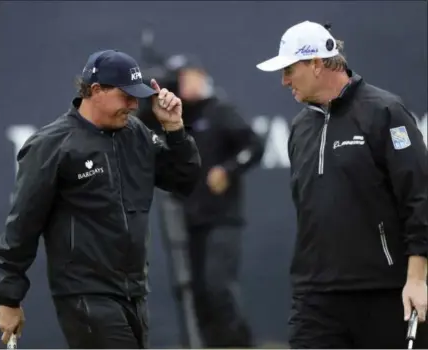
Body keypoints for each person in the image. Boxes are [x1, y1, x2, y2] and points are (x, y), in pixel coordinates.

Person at [0, 49, 201, 348]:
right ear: (96, 91)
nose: (133, 105)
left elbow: (184, 180)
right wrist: (7, 298)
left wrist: (174, 129)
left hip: (134, 292)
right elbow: (22, 226)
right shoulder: (51, 145)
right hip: (84, 294)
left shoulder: (137, 134)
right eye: (126, 96)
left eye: (137, 97)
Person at [256, 21, 428, 349]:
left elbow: (419, 198)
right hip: (315, 297)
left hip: (385, 293)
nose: (284, 81)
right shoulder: (299, 127)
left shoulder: (385, 112)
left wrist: (417, 280)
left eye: (290, 69)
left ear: (318, 63)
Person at [139, 55, 264, 348]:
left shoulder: (221, 110)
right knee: (198, 294)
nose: (186, 83)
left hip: (222, 218)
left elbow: (254, 145)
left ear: (203, 76)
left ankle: (239, 345)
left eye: (191, 76)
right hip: (191, 220)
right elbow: (142, 121)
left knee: (218, 287)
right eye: (181, 78)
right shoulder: (181, 116)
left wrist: (228, 170)